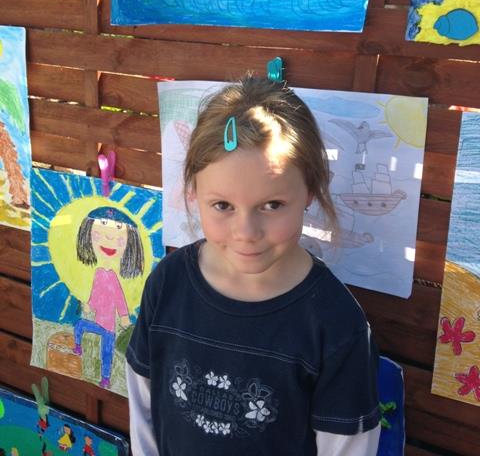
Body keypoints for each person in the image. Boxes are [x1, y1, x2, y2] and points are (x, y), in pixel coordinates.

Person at [126, 76, 381, 455]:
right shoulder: (168, 283)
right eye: (223, 205)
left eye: (272, 205)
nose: (246, 233)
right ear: (193, 192)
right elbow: (142, 402)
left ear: (310, 191)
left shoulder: (335, 321)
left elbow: (348, 446)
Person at [73, 206, 144, 388]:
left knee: (107, 353)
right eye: (103, 223)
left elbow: (119, 298)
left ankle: (105, 378)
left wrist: (124, 317)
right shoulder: (98, 273)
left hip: (109, 327)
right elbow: (95, 295)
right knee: (79, 325)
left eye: (118, 227)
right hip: (97, 322)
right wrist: (88, 305)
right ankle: (78, 346)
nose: (110, 236)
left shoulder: (113, 277)